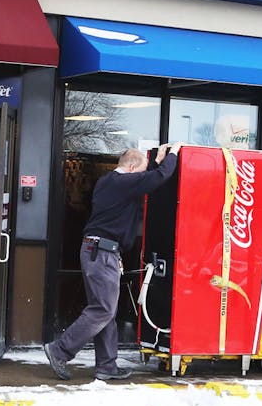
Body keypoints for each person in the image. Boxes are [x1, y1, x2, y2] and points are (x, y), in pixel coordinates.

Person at [45, 142, 181, 381]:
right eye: (139, 172)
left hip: (97, 250)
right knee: (103, 309)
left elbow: (146, 178)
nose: (140, 179)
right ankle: (60, 350)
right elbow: (157, 178)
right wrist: (172, 155)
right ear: (130, 167)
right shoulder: (122, 183)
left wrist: (155, 163)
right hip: (102, 252)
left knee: (106, 309)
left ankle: (107, 365)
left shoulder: (108, 182)